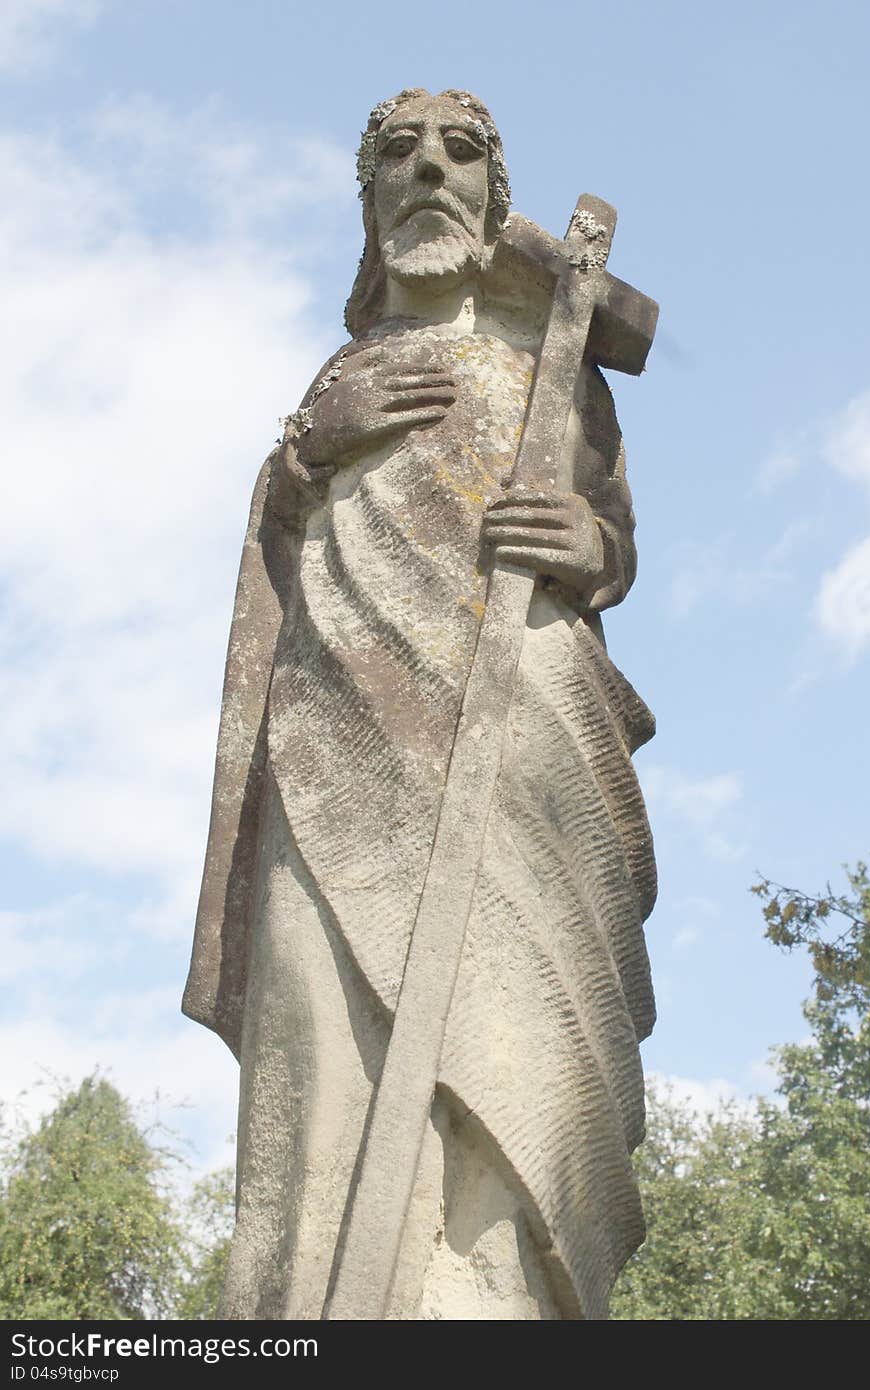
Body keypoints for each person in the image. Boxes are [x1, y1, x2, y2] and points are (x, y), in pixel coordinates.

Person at [183, 88, 657, 1320]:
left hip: (516, 746)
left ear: (497, 204)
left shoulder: (548, 373)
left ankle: (489, 1297)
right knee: (321, 1043)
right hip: (338, 747)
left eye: (460, 153)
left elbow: (614, 544)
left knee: (519, 1049)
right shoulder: (342, 378)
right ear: (372, 201)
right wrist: (300, 452)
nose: (429, 169)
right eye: (400, 153)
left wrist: (584, 545)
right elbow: (275, 562)